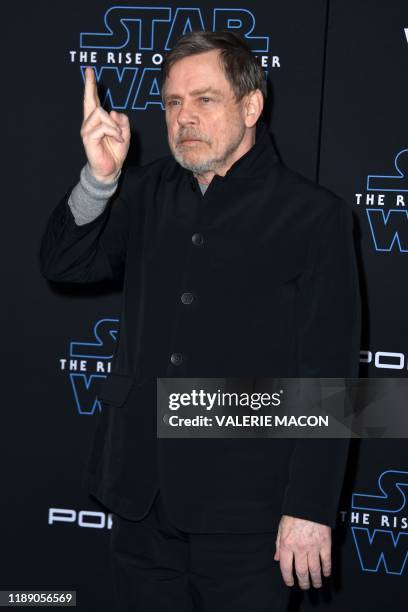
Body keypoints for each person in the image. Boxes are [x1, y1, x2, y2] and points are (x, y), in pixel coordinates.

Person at [40, 30, 361, 612]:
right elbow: (63, 263)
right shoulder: (145, 190)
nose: (183, 116)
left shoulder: (313, 216)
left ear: (251, 105)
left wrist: (310, 508)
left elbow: (332, 375)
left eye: (204, 99)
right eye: (172, 102)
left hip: (249, 517)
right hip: (141, 499)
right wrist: (99, 179)